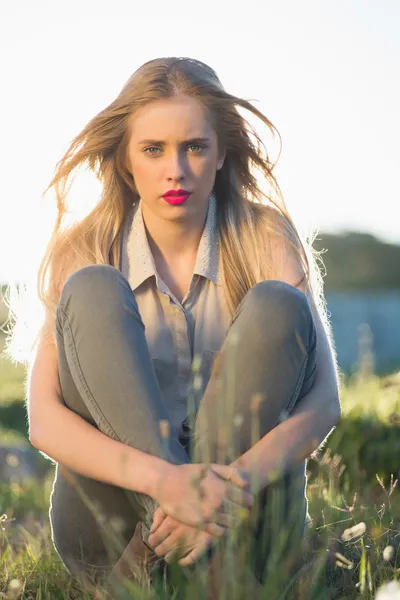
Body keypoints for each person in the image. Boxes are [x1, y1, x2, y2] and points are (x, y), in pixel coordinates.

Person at [5, 56, 341, 594]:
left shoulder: (265, 236)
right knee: (92, 288)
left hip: (245, 524)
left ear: (221, 152)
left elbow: (324, 403)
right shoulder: (85, 250)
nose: (176, 170)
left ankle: (210, 568)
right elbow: (44, 422)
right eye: (154, 149)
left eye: (194, 146)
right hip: (117, 543)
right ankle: (209, 579)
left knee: (278, 305)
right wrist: (167, 484)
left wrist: (213, 500)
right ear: (125, 159)